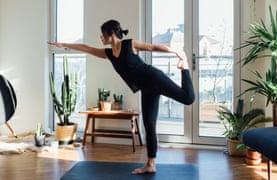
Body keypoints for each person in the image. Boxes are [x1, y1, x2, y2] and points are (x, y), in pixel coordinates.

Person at [48, 19, 195, 174]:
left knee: (188, 98)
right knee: (149, 126)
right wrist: (64, 44)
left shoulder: (130, 44)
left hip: (154, 78)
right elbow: (87, 48)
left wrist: (176, 52)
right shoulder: (109, 54)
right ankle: (151, 164)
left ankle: (184, 68)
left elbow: (152, 47)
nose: (101, 38)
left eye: (103, 35)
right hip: (146, 89)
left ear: (111, 34)